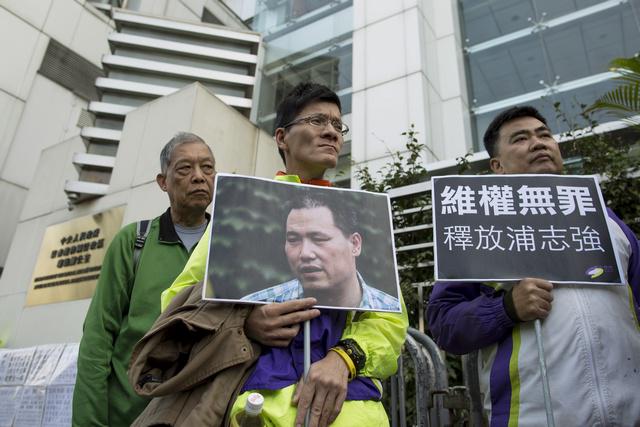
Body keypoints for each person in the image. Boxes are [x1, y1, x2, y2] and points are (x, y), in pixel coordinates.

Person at [159, 82, 408, 427]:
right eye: (318, 121)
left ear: (353, 243)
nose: (331, 133)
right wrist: (243, 325)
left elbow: (390, 322)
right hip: (256, 412)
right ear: (281, 137)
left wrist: (345, 358)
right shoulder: (241, 209)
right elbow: (177, 304)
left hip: (355, 411)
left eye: (338, 125)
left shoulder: (361, 214)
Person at [427, 106, 640, 426]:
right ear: (497, 166)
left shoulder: (609, 223)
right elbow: (443, 322)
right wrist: (506, 308)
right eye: (520, 139)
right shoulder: (478, 227)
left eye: (544, 135)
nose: (539, 143)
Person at [72, 133, 216, 426]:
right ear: (163, 182)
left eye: (208, 168)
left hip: (202, 413)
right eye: (185, 169)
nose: (199, 177)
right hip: (128, 413)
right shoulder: (133, 242)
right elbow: (98, 339)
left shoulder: (230, 245)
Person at [241, 191, 400, 311]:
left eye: (319, 239)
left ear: (355, 244)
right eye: (293, 239)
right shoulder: (254, 307)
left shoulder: (390, 310)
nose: (305, 253)